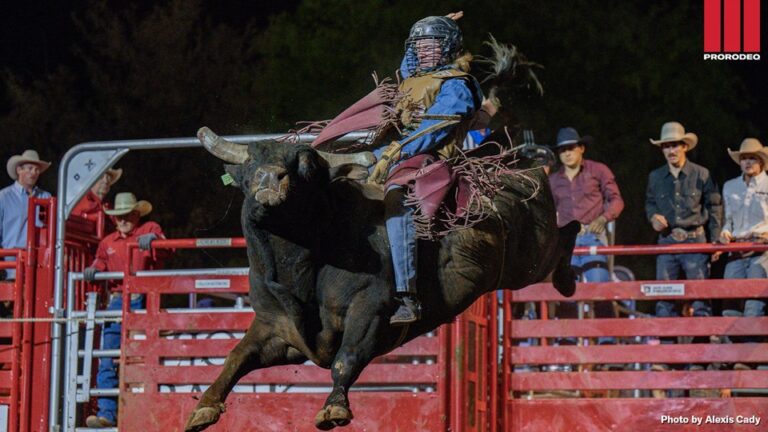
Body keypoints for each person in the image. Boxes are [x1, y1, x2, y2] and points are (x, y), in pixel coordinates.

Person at [368, 15, 482, 325]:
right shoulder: (412, 77)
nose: (423, 50)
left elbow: (436, 128)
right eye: (418, 45)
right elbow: (409, 66)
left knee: (395, 198)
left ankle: (407, 294)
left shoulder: (456, 84)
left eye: (430, 44)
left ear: (447, 49)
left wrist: (397, 151)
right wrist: (436, 22)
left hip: (429, 159)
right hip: (392, 155)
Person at [82, 192, 172, 428]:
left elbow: (166, 248)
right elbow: (99, 262)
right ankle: (108, 414)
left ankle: (142, 414)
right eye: (119, 216)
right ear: (114, 218)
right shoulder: (108, 242)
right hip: (117, 300)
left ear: (136, 214)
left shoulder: (149, 228)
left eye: (128, 215)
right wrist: (93, 268)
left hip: (144, 300)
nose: (123, 220)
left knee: (142, 358)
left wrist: (154, 240)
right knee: (109, 357)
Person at [645, 121, 723, 318]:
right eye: (666, 146)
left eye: (675, 145)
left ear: (684, 147)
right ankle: (667, 346)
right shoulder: (655, 177)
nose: (671, 150)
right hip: (667, 240)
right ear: (662, 150)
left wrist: (715, 241)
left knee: (700, 298)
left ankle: (702, 346)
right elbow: (650, 202)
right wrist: (653, 217)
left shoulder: (701, 174)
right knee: (664, 298)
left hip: (695, 240)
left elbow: (714, 206)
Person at [548, 127, 624, 328]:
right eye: (562, 150)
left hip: (592, 235)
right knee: (565, 291)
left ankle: (607, 342)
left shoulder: (598, 170)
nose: (567, 153)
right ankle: (567, 344)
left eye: (571, 148)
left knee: (599, 285)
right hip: (566, 242)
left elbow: (616, 200)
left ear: (581, 148)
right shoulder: (553, 181)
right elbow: (547, 211)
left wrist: (603, 218)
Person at [718, 138, 768, 327]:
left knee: (753, 307)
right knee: (729, 306)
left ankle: (748, 355)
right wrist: (725, 232)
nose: (747, 162)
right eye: (744, 158)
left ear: (761, 161)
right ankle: (733, 355)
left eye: (752, 158)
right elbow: (728, 220)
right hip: (736, 249)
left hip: (761, 250)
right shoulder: (730, 187)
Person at [0, 150, 52, 280]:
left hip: (40, 260)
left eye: (36, 170)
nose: (34, 173)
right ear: (19, 170)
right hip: (12, 259)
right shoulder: (4, 197)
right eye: (30, 168)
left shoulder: (46, 197)